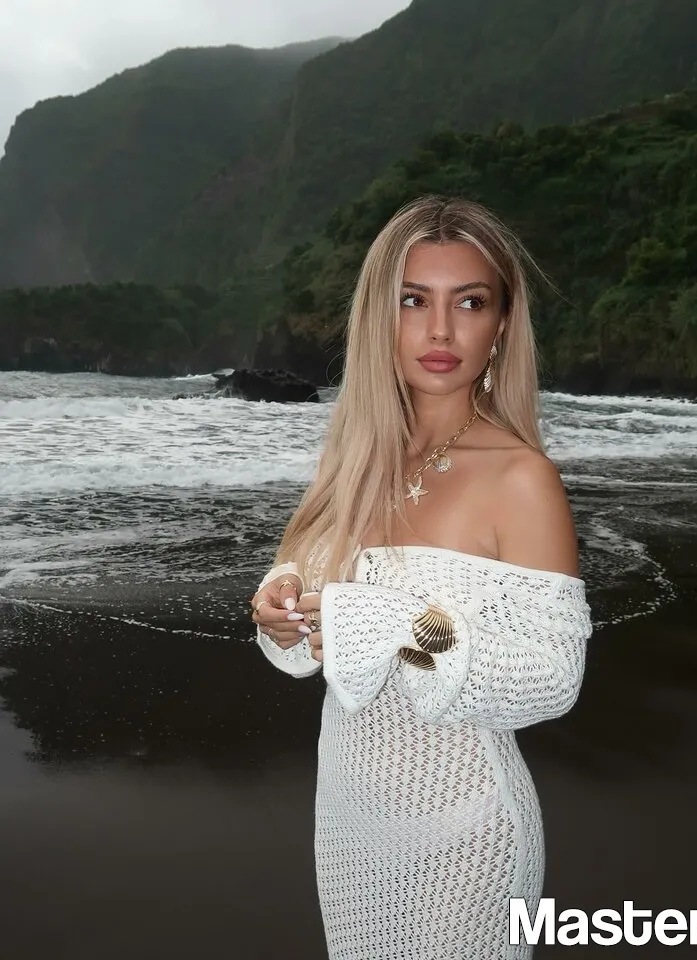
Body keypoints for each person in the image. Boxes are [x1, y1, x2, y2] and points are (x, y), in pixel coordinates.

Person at [249, 195, 592, 960]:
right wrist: (284, 608)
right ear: (381, 317)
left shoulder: (519, 477)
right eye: (414, 301)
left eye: (469, 302)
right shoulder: (353, 461)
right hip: (347, 824)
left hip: (463, 832)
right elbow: (316, 590)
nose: (440, 330)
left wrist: (395, 629)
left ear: (501, 324)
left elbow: (551, 675)